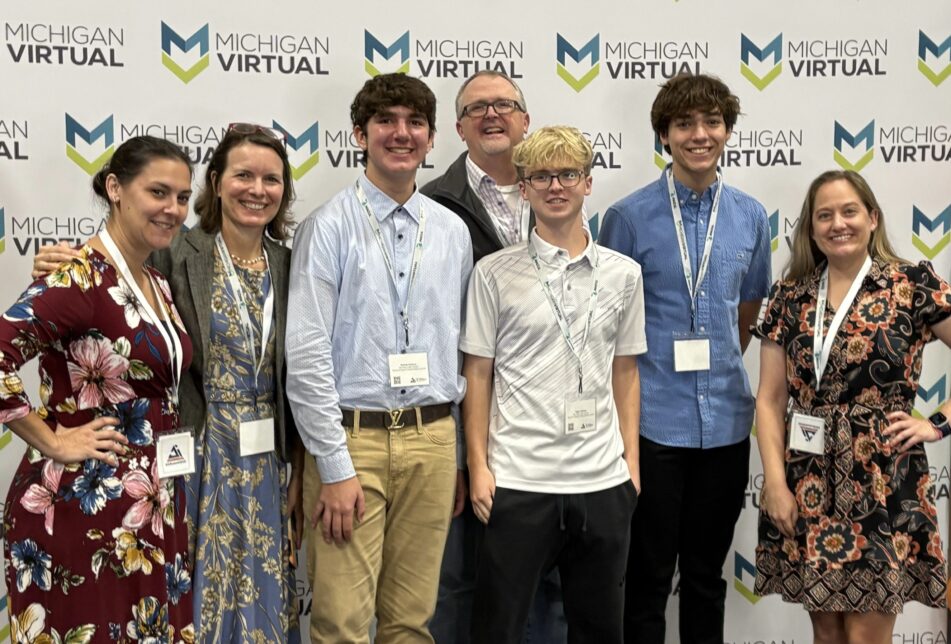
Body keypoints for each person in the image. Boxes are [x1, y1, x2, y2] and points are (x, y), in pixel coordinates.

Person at [32, 125, 304, 643]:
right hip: (192, 455)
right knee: (188, 593)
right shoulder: (174, 250)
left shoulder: (293, 266)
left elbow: (304, 375)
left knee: (262, 597)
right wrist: (56, 265)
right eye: (243, 175)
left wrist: (301, 469)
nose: (257, 189)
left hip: (266, 461)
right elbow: (112, 272)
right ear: (217, 183)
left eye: (272, 179)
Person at [286, 73, 472, 643]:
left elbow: (457, 348)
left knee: (411, 622)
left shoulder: (452, 232)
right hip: (352, 441)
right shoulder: (327, 227)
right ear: (359, 134)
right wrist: (334, 466)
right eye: (385, 121)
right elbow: (307, 356)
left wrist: (455, 455)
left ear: (432, 138)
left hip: (432, 440)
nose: (401, 133)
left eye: (415, 122)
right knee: (341, 623)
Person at [599, 72, 772, 644]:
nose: (700, 134)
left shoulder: (751, 217)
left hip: (725, 424)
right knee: (646, 578)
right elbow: (609, 324)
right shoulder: (627, 218)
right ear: (664, 136)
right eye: (684, 124)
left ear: (727, 131)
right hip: (652, 425)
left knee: (705, 577)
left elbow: (746, 314)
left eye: (712, 122)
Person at [1, 135, 195, 642]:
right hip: (84, 508)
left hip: (151, 504)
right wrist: (53, 440)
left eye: (182, 197)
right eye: (158, 192)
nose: (173, 209)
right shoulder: (77, 276)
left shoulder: (155, 282)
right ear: (115, 188)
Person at [462, 126, 645, 644]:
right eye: (541, 176)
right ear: (523, 189)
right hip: (518, 480)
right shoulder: (493, 274)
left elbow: (626, 372)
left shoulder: (624, 274)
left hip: (601, 481)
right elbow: (477, 374)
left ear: (588, 183)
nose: (555, 186)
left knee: (599, 632)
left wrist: (630, 464)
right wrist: (478, 466)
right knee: (497, 631)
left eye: (568, 174)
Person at [752, 169, 951, 643]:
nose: (838, 224)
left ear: (872, 218)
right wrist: (774, 483)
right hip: (808, 478)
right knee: (827, 634)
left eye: (849, 211)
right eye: (824, 215)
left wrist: (937, 424)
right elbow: (770, 399)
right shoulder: (789, 295)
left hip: (884, 479)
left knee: (866, 636)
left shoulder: (911, 284)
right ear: (811, 227)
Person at [421, 71, 567, 644]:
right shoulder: (430, 205)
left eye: (504, 104)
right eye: (475, 108)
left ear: (525, 120)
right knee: (455, 577)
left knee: (548, 581)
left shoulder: (559, 197)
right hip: (462, 411)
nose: (491, 115)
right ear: (458, 128)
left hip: (547, 416)